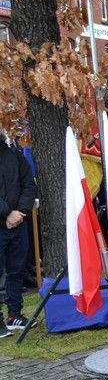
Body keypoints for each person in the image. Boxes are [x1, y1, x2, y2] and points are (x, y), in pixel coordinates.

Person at [0, 132, 37, 337]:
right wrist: (7, 213)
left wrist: (20, 211)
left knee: (16, 270)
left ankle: (14, 314)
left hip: (18, 224)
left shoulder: (14, 155)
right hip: (2, 223)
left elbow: (29, 185)